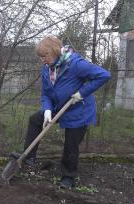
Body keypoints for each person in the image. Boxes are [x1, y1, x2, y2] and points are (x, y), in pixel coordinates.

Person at [12, 35, 110, 189]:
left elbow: (104, 75)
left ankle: (68, 177)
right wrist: (47, 111)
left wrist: (82, 93)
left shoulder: (75, 64)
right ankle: (28, 157)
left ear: (56, 51)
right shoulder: (46, 69)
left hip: (79, 110)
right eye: (41, 57)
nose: (43, 59)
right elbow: (45, 93)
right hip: (59, 107)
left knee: (71, 144)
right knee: (35, 120)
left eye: (46, 55)